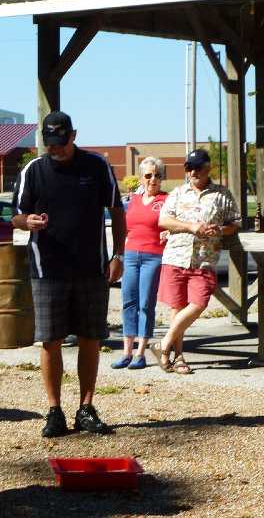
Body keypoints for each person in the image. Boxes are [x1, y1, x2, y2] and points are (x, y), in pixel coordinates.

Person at [12, 111, 126, 438]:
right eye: (50, 143)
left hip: (92, 269)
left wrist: (118, 255)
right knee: (51, 341)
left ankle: (86, 408)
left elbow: (117, 211)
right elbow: (16, 217)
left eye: (61, 142)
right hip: (47, 270)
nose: (55, 148)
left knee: (90, 339)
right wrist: (27, 221)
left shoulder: (96, 166)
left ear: (73, 136)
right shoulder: (33, 171)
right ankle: (54, 411)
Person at [152, 149, 240, 374]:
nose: (193, 172)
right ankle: (178, 357)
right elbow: (164, 220)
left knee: (199, 303)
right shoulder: (178, 193)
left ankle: (163, 344)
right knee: (178, 307)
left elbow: (234, 223)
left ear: (208, 168)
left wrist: (219, 229)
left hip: (204, 259)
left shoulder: (222, 195)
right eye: (188, 168)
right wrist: (191, 226)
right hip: (176, 256)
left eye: (197, 167)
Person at [111, 157, 168, 370]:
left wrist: (170, 231)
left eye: (157, 175)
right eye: (148, 175)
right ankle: (126, 352)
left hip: (153, 256)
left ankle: (141, 353)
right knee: (128, 302)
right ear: (141, 178)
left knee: (145, 303)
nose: (153, 179)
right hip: (131, 254)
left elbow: (175, 221)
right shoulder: (134, 200)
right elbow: (123, 226)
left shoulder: (167, 199)